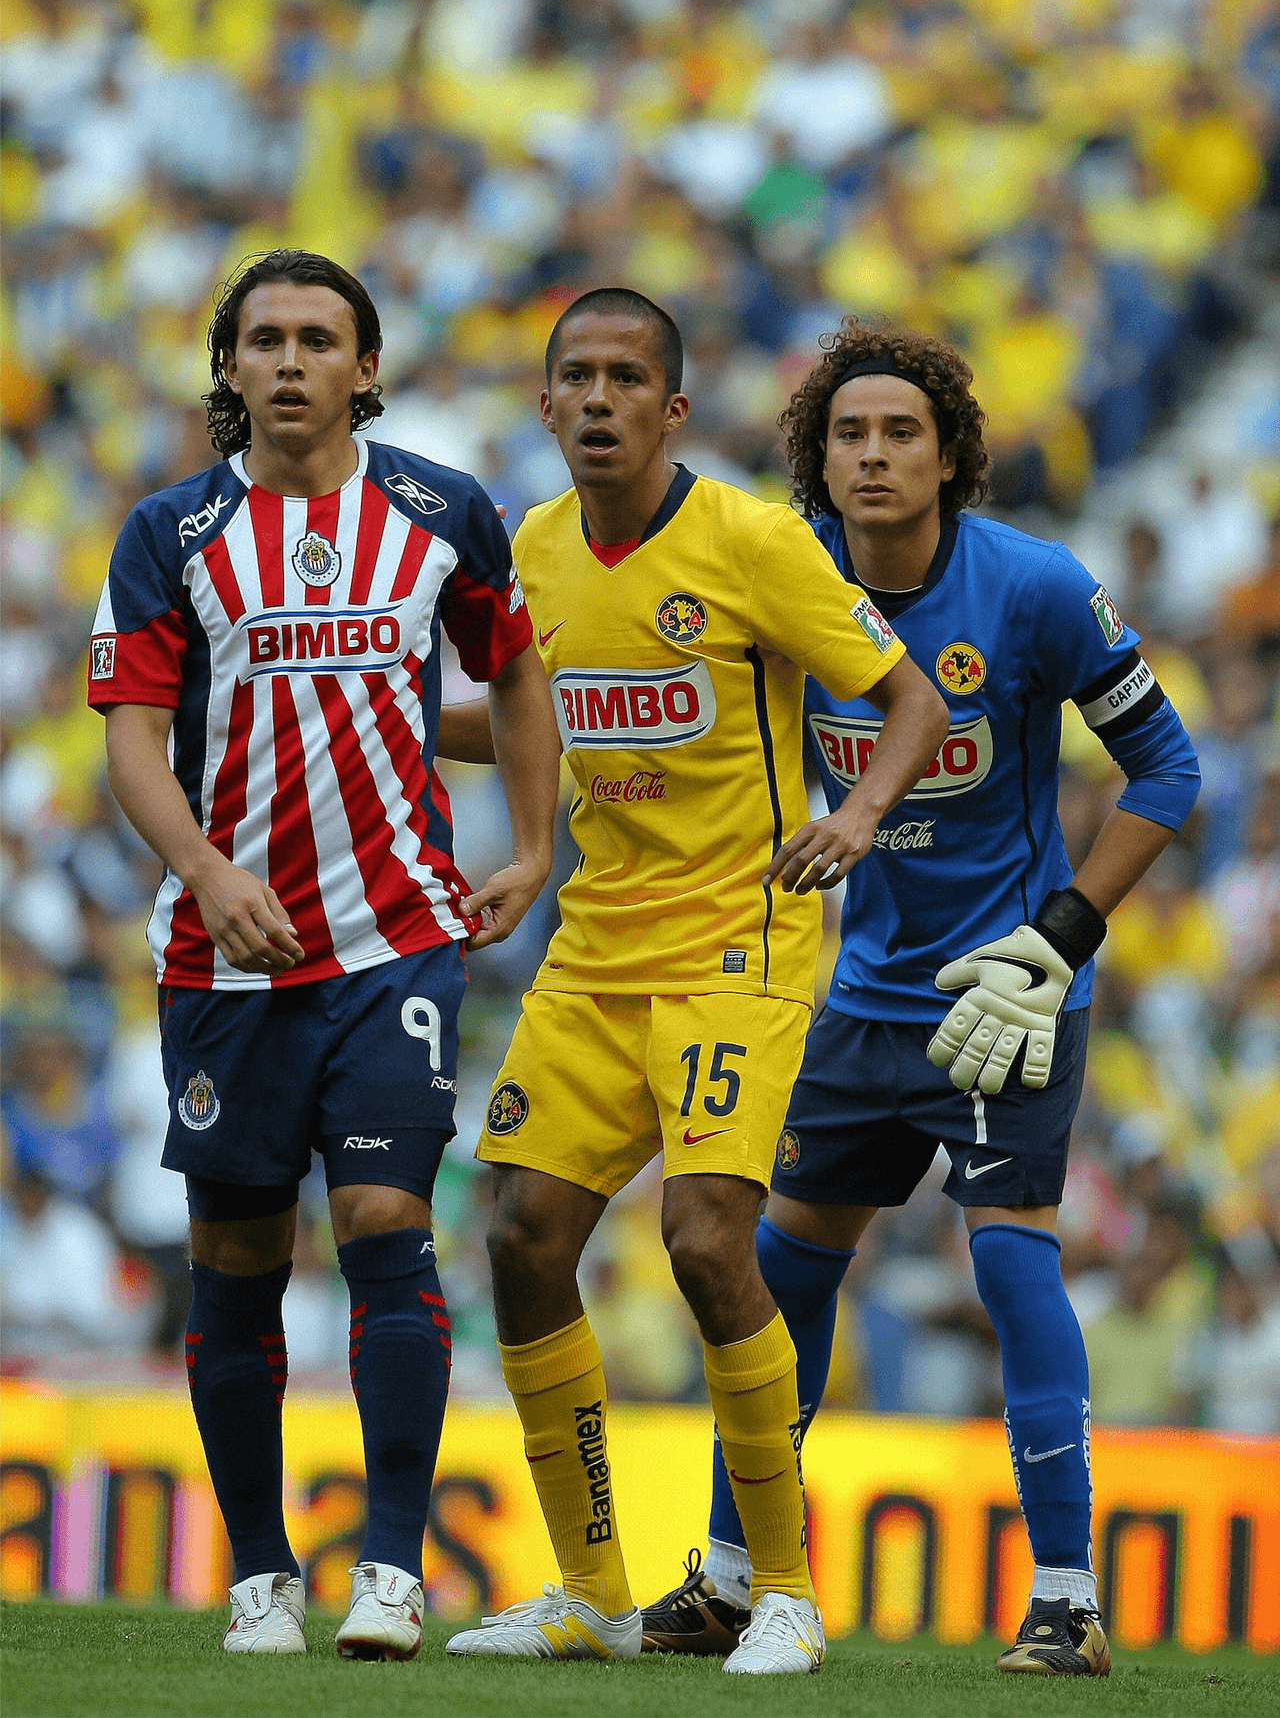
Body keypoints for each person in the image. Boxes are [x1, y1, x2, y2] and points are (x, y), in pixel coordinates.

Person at [640, 320, 1200, 1677]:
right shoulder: (784, 581)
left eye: (901, 432)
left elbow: (1169, 775)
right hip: (865, 995)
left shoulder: (1035, 589)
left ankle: (1066, 1601)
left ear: (951, 457)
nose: (873, 454)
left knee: (1010, 1261)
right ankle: (729, 1576)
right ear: (815, 461)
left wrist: (1059, 941)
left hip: (1009, 989)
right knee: (781, 1266)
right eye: (848, 434)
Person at [436, 288, 949, 1675]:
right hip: (597, 944)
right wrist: (389, 720)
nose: (597, 399)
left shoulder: (751, 542)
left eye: (625, 379)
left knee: (708, 1240)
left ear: (672, 410)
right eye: (574, 379)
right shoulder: (529, 552)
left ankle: (781, 1585)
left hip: (745, 939)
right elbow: (526, 716)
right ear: (543, 407)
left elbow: (912, 698)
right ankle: (593, 1592)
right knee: (524, 1233)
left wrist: (852, 818)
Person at [87, 249, 561, 1660]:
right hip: (228, 957)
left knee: (384, 1230)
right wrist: (206, 871)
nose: (290, 361)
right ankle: (259, 1574)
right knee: (235, 1263)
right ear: (228, 368)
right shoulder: (168, 532)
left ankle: (395, 1573)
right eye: (264, 339)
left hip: (393, 943)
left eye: (318, 339)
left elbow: (516, 671)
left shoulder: (440, 511)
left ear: (367, 366)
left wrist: (531, 849)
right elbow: (130, 733)